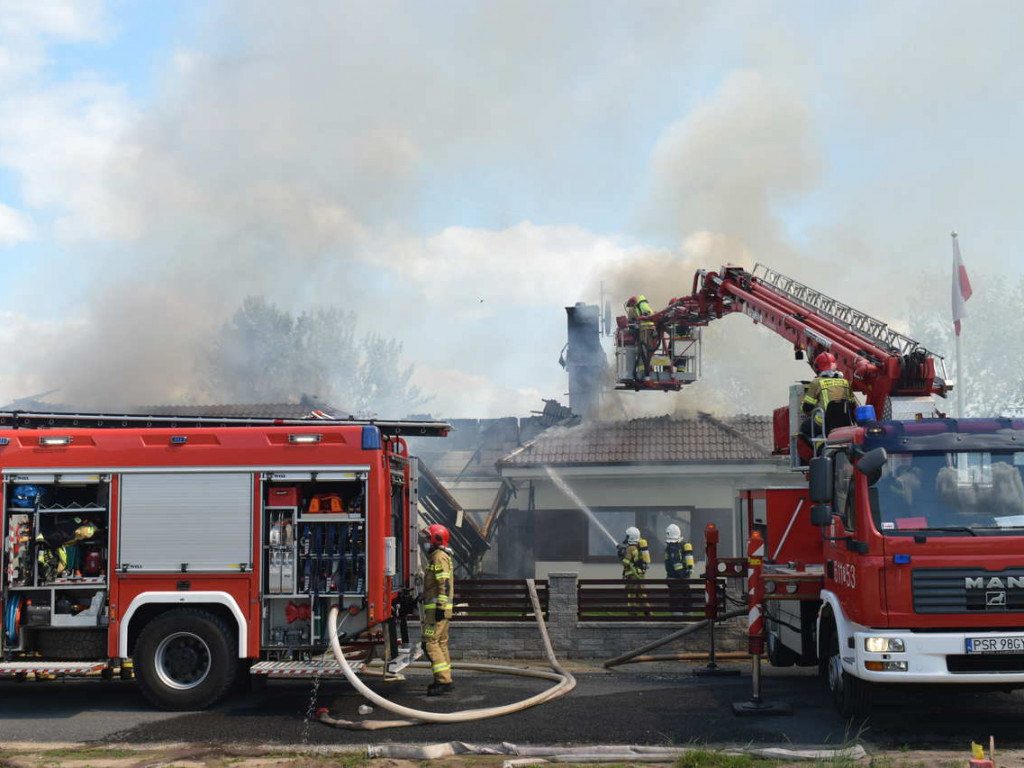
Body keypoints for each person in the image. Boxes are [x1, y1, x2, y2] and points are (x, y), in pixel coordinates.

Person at [421, 523, 455, 696]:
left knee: (430, 642)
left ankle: (443, 680)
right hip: (439, 610)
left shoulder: (439, 557)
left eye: (428, 537)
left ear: (437, 539)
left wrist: (440, 607)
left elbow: (445, 584)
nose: (426, 541)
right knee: (440, 643)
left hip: (436, 611)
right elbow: (435, 584)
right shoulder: (439, 556)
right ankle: (445, 678)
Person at [800, 352, 856, 446]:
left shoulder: (816, 382)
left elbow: (807, 408)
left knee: (804, 428)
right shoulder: (845, 382)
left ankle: (818, 448)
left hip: (823, 422)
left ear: (818, 367)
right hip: (844, 422)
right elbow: (852, 405)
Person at [618, 526, 650, 614]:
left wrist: (621, 557)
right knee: (642, 594)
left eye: (627, 536)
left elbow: (626, 562)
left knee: (631, 594)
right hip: (640, 574)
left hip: (632, 575)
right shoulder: (638, 547)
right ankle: (648, 612)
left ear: (630, 537)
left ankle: (633, 612)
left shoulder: (630, 548)